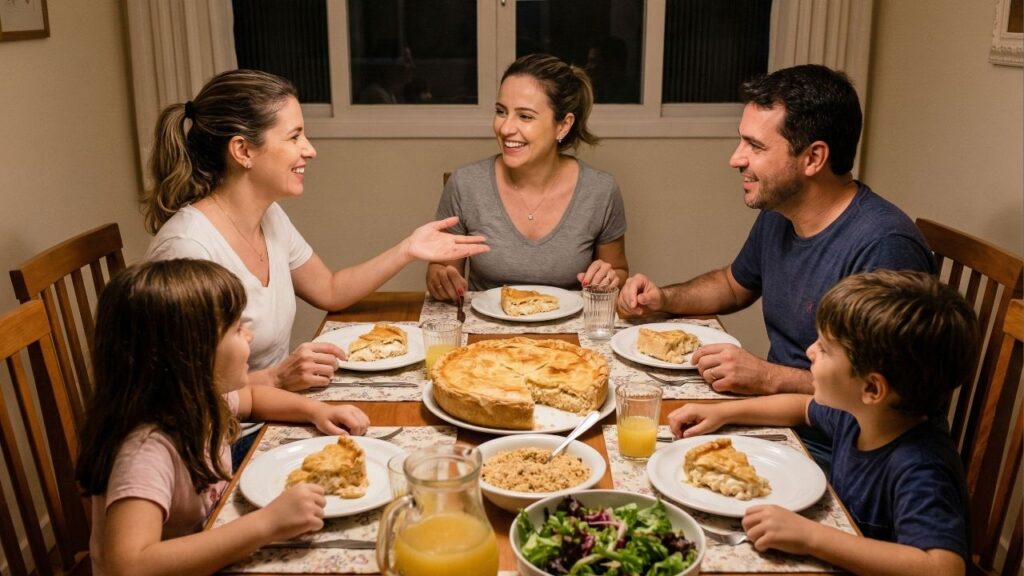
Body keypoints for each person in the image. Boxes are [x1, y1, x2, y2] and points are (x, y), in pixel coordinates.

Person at [143, 69, 488, 394]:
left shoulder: (269, 217)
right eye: (294, 137)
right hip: (224, 440)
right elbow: (180, 397)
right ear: (243, 150)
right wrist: (275, 378)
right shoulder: (187, 248)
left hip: (275, 406)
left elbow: (329, 290)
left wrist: (408, 249)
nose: (310, 149)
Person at [618, 64, 935, 397]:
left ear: (814, 158)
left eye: (755, 146)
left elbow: (879, 392)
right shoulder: (781, 211)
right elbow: (732, 285)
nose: (736, 159)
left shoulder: (883, 246)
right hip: (778, 410)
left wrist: (768, 377)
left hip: (832, 442)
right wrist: (663, 299)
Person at [76, 259, 372, 576]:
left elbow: (255, 398)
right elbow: (129, 566)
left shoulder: (197, 402)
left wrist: (317, 411)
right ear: (191, 355)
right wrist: (266, 524)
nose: (249, 336)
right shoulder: (147, 451)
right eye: (236, 329)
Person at [668, 270, 975, 575]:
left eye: (825, 349)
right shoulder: (862, 415)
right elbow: (802, 406)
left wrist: (811, 537)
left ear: (871, 388)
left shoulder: (921, 466)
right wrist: (723, 413)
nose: (809, 352)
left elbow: (943, 568)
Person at [426, 53, 628, 301]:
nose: (505, 128)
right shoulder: (465, 184)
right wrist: (440, 278)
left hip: (569, 336)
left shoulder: (600, 190)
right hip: (485, 337)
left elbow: (618, 271)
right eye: (501, 111)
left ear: (563, 125)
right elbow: (440, 270)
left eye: (525, 116)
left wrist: (609, 278)